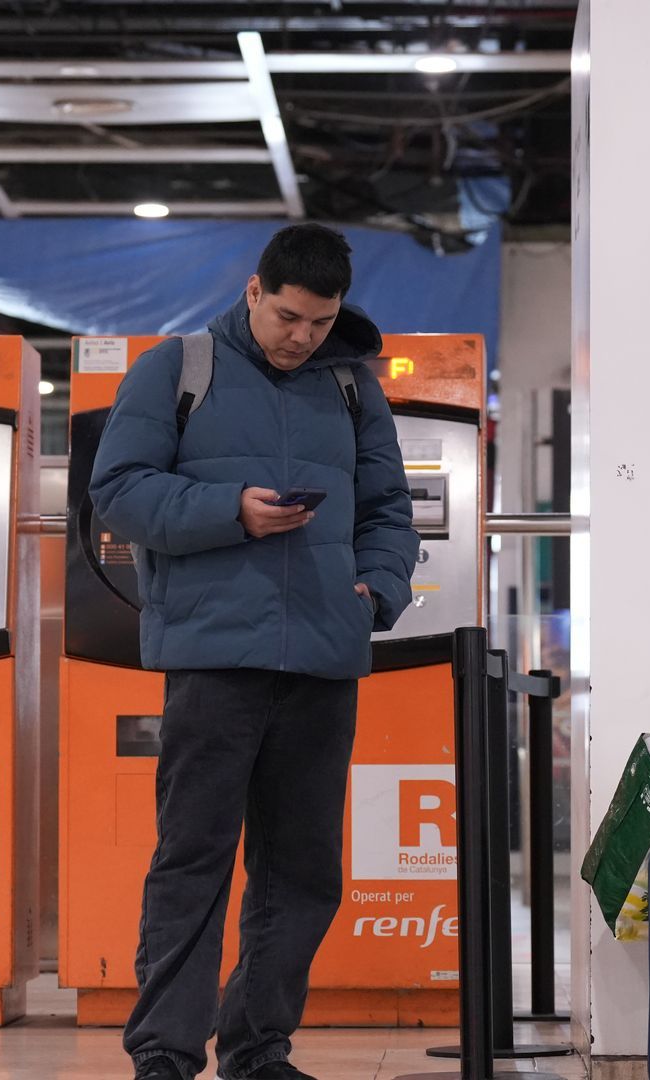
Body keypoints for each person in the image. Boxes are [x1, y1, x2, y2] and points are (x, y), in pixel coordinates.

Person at [90, 223, 418, 1080]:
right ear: (252, 291)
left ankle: (259, 1046)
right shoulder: (177, 369)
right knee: (192, 859)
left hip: (321, 653)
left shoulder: (352, 386)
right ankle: (165, 1050)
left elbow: (389, 508)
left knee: (302, 871)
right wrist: (228, 509)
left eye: (319, 320)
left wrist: (376, 592)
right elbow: (117, 492)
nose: (301, 336)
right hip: (212, 657)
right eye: (287, 316)